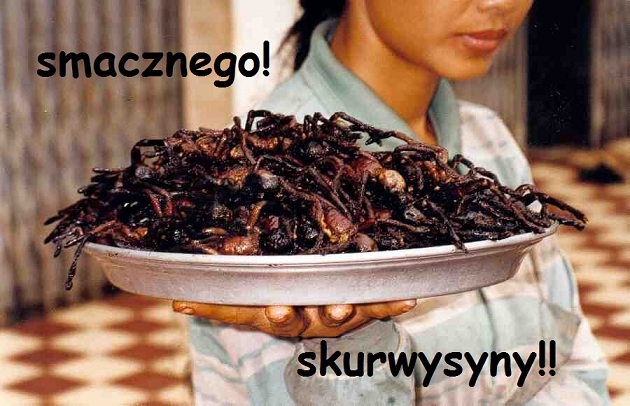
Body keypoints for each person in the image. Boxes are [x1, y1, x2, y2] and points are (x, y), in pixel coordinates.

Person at [173, 0, 610, 404]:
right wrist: (348, 341)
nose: (498, 3)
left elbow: (580, 375)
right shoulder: (262, 186)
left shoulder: (489, 138)